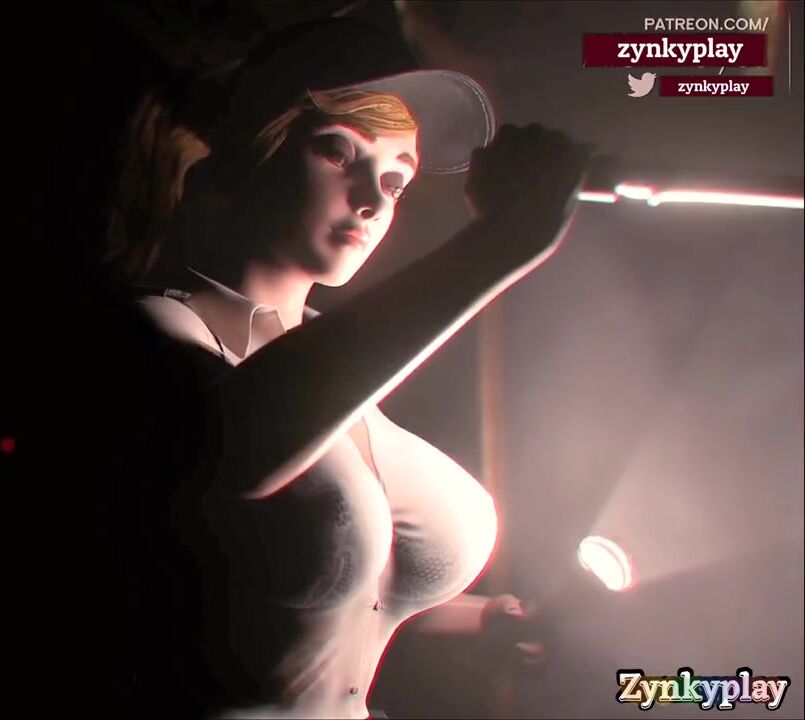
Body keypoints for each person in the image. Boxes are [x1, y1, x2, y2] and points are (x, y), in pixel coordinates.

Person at [105, 16, 589, 720]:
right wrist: (501, 242)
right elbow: (236, 447)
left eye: (397, 179)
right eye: (338, 151)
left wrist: (483, 621)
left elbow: (319, 591)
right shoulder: (154, 334)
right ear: (255, 148)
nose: (373, 198)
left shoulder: (344, 374)